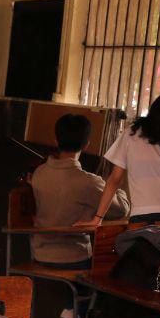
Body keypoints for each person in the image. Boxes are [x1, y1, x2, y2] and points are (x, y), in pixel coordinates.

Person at [85, 90, 160, 231]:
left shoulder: (132, 133)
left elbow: (115, 179)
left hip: (145, 216)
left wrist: (98, 218)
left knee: (141, 252)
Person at [30, 113, 129, 268]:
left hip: (39, 254)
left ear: (56, 140)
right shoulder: (89, 182)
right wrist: (115, 186)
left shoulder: (39, 173)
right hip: (74, 258)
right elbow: (121, 209)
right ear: (86, 145)